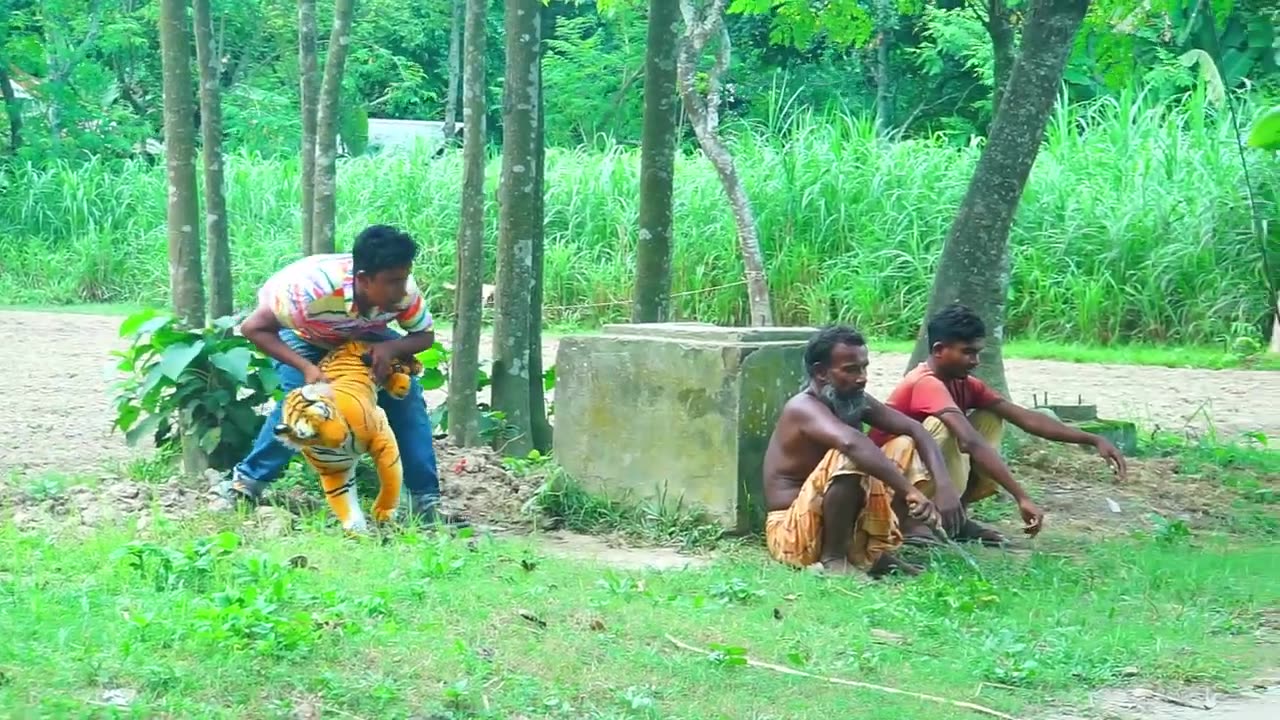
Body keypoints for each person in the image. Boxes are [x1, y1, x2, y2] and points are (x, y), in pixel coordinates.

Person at [223, 224, 464, 526]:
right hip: (306, 337)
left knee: (407, 397)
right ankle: (246, 485)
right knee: (301, 403)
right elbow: (253, 328)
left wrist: (391, 349)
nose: (401, 291)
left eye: (403, 279)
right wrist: (307, 368)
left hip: (366, 335)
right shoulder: (309, 292)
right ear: (363, 280)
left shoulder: (403, 291)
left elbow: (423, 335)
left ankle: (425, 501)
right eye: (392, 282)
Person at [870, 304, 1128, 546]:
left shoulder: (964, 383)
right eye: (967, 352)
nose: (975, 361)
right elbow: (969, 441)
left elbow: (1025, 418)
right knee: (946, 427)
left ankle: (955, 519)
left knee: (989, 419)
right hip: (883, 485)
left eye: (977, 352)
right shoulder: (925, 382)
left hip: (919, 475)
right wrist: (1021, 496)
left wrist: (1092, 439)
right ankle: (911, 522)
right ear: (939, 350)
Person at [762, 325, 965, 578]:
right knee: (850, 453)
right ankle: (834, 559)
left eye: (864, 367)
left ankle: (875, 552)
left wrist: (945, 486)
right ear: (821, 373)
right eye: (850, 370)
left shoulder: (853, 397)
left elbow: (917, 430)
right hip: (792, 533)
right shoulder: (802, 407)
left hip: (830, 523)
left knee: (903, 444)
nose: (862, 377)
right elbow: (851, 444)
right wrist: (910, 491)